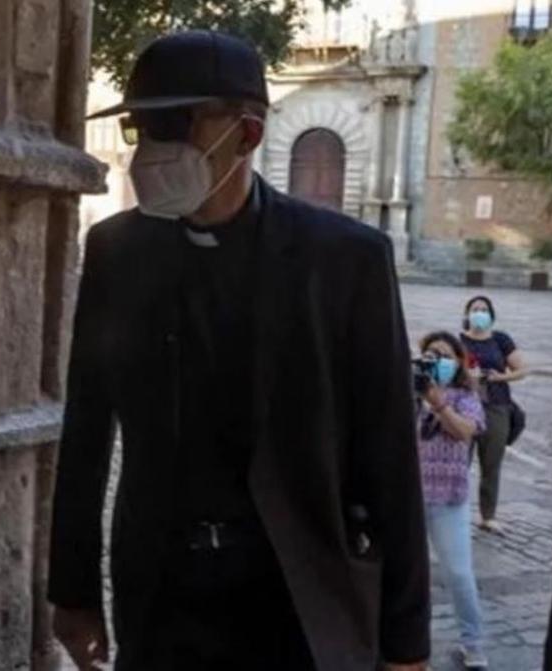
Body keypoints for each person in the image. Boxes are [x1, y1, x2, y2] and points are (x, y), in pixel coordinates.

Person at [47, 30, 430, 671]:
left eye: (176, 124)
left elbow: (388, 448)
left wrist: (406, 642)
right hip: (163, 597)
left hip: (300, 599)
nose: (154, 148)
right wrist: (74, 592)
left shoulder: (346, 259)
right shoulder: (117, 252)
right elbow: (86, 430)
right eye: (145, 128)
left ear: (247, 134)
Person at [416, 331, 490, 669]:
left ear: (458, 361)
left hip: (449, 499)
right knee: (410, 578)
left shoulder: (464, 396)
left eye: (445, 355)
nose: (438, 360)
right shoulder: (410, 394)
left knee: (459, 573)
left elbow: (464, 431)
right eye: (431, 354)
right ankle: (411, 650)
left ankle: (473, 643)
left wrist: (437, 401)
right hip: (411, 499)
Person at [459, 295, 527, 532]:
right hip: (464, 406)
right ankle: (455, 509)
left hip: (496, 404)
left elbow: (521, 370)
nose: (479, 313)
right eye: (475, 309)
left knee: (492, 462)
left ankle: (488, 515)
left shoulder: (501, 340)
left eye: (484, 309)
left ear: (491, 315)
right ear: (467, 314)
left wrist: (500, 377)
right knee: (460, 460)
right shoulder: (458, 341)